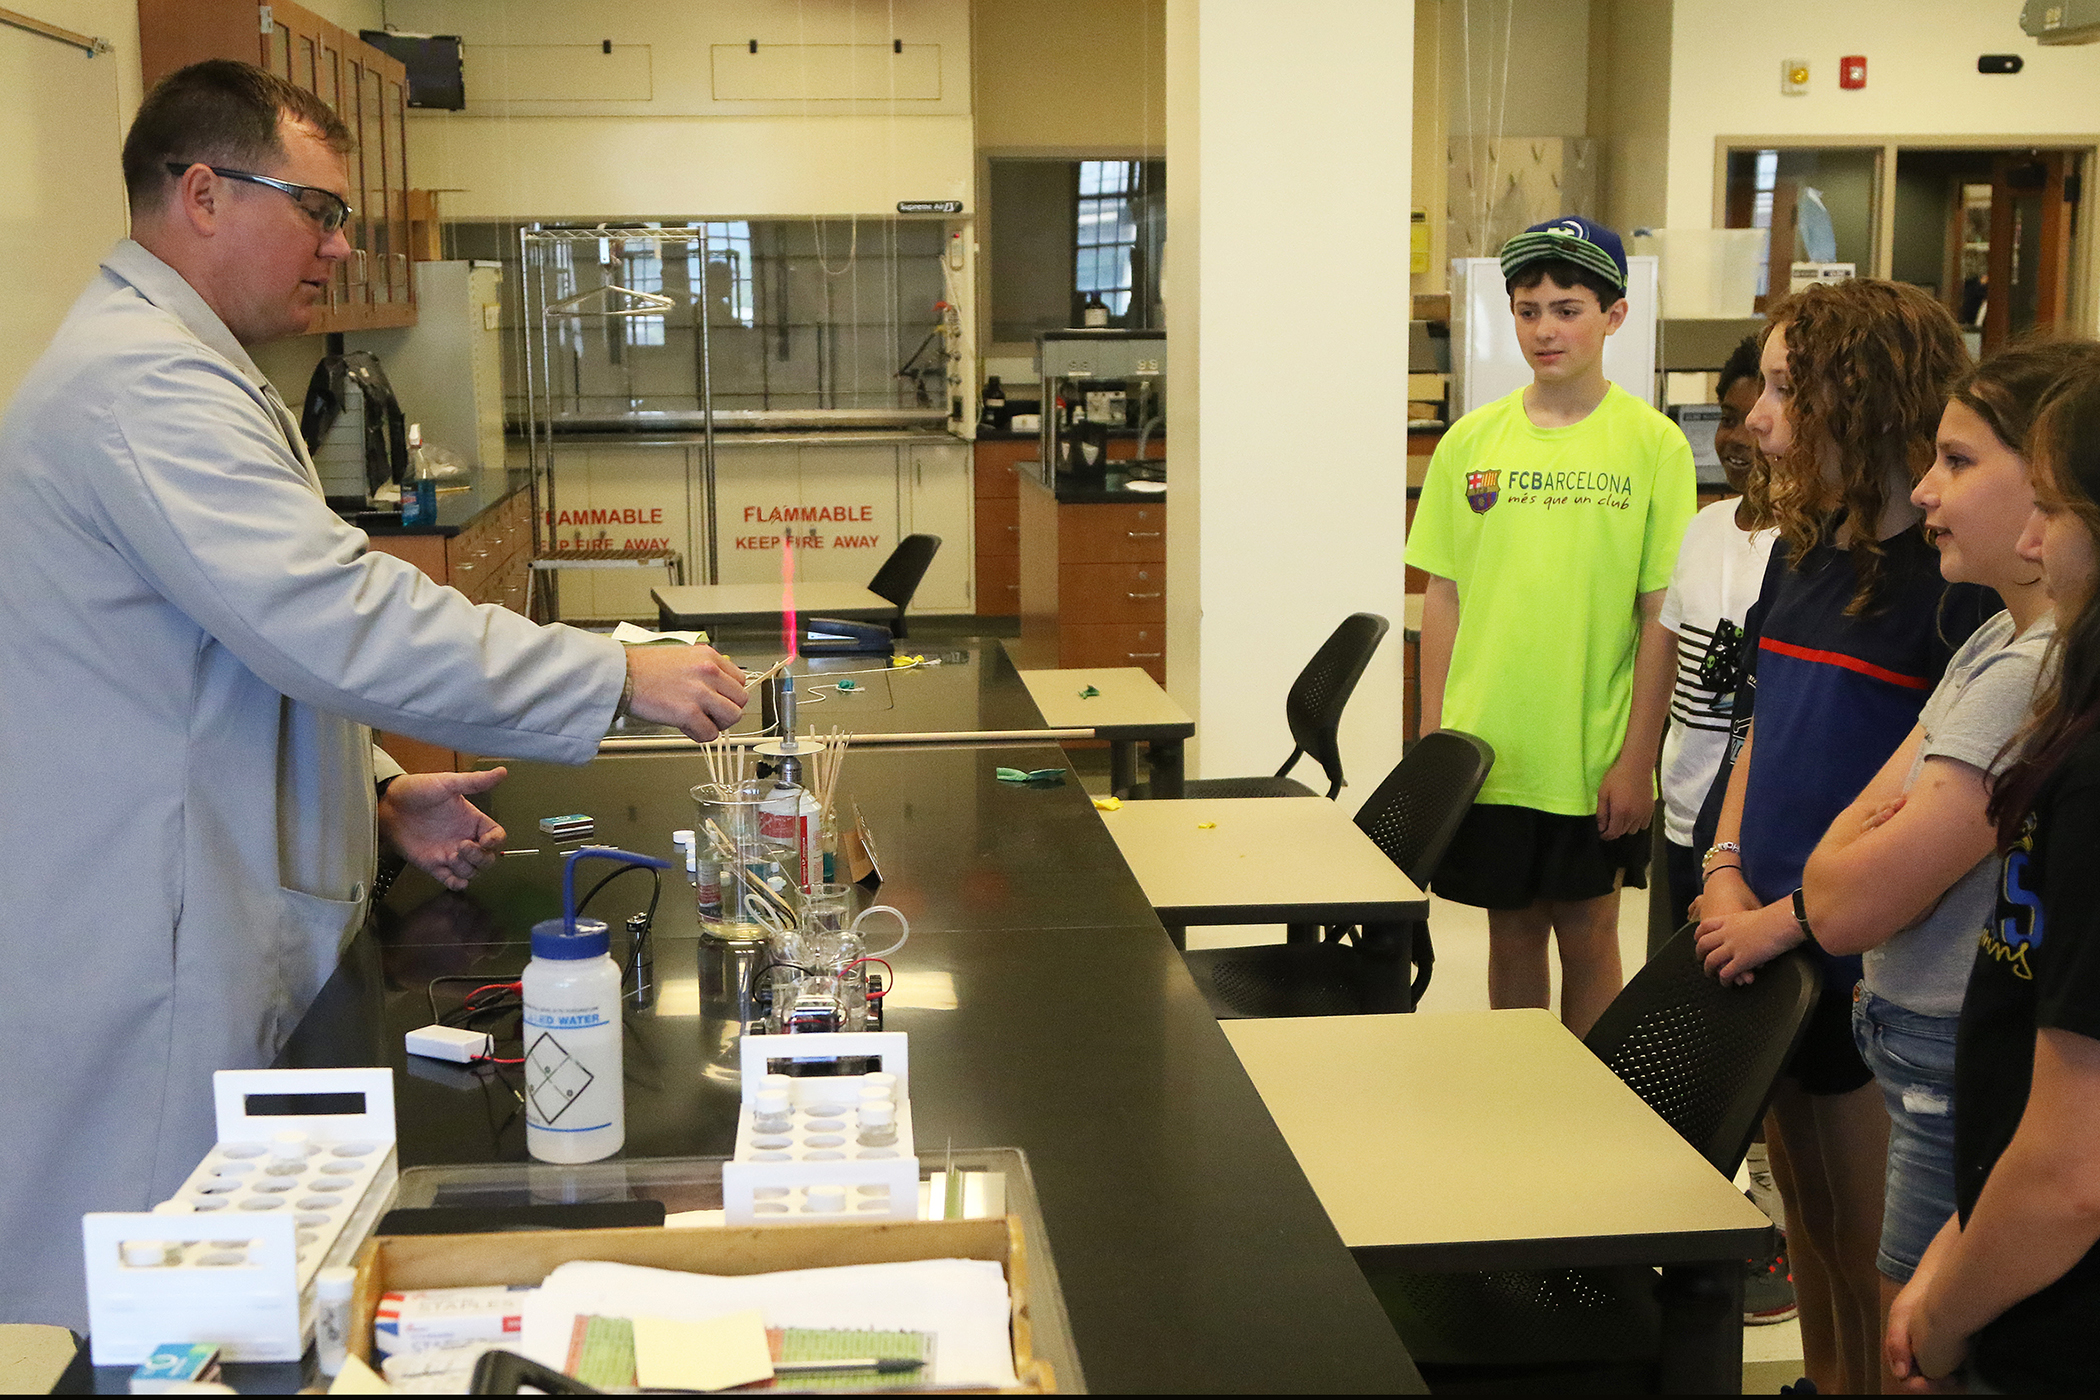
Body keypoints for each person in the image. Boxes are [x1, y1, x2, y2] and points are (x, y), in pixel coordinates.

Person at [0, 62, 748, 1327]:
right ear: (202, 193)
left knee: (223, 1294)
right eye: (318, 209)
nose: (341, 247)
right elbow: (336, 619)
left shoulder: (191, 365)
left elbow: (237, 650)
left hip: (207, 895)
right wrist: (616, 670)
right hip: (153, 938)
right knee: (158, 1311)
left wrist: (384, 792)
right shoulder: (147, 386)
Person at [1697, 340, 2099, 1386]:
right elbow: (1784, 742)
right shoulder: (1973, 641)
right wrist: (1733, 860)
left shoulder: (2015, 658)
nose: (1766, 419)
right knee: (1830, 1242)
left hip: (1921, 1027)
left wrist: (1809, 891)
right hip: (1857, 979)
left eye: (1962, 464)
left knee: (1910, 1329)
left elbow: (1854, 883)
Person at [1693, 280, 1992, 1395]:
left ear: (1861, 400)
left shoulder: (1953, 591)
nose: (1760, 418)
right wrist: (1724, 870)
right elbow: (1759, 724)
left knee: (1873, 1257)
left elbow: (1934, 816)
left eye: (1786, 389)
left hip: (1851, 952)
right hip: (1760, 933)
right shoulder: (1805, 549)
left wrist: (1784, 920)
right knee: (1808, 1222)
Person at [1413, 216, 1696, 1036]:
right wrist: (1436, 734)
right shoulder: (1471, 441)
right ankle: (1519, 1098)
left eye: (1568, 308)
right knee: (1510, 931)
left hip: (1591, 748)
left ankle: (1591, 1114)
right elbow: (1445, 594)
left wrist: (1639, 753)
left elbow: (1661, 614)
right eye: (1529, 308)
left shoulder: (1653, 447)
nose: (1546, 329)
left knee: (1592, 933)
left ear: (1615, 316)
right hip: (1491, 747)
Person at [1885, 360, 2100, 1394]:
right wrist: (1962, 1239)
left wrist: (1944, 1318)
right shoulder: (2062, 709)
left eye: (2051, 510)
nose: (2028, 541)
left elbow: (2072, 1174)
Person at [1657, 335, 1776, 933]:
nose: (1738, 437)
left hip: (1748, 835)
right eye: (1728, 418)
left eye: (1757, 420)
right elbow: (1669, 647)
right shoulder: (1703, 527)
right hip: (1682, 807)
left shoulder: (1807, 548)